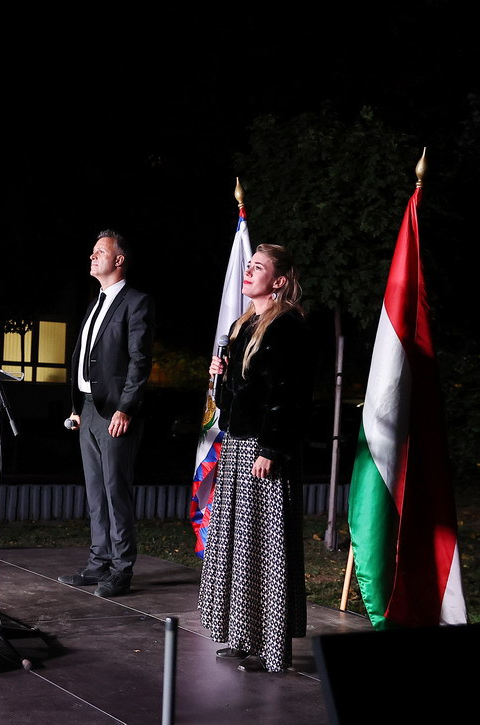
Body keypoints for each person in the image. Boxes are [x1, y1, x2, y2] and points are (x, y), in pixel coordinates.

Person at [197, 243, 313, 673]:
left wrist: (271, 448)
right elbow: (237, 399)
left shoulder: (287, 326)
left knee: (267, 547)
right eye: (248, 266)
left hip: (265, 450)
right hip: (237, 445)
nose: (248, 272)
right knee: (239, 544)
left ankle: (272, 647)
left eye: (258, 267)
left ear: (278, 281)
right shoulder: (242, 325)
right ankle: (243, 635)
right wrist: (221, 376)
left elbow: (290, 395)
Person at [60, 230, 156, 597]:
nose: (92, 256)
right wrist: (77, 406)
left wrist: (126, 408)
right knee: (96, 493)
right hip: (88, 409)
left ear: (119, 260)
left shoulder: (136, 302)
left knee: (116, 492)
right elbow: (87, 357)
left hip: (116, 412)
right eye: (92, 251)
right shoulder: (95, 303)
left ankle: (121, 569)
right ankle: (98, 563)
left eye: (100, 251)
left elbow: (139, 360)